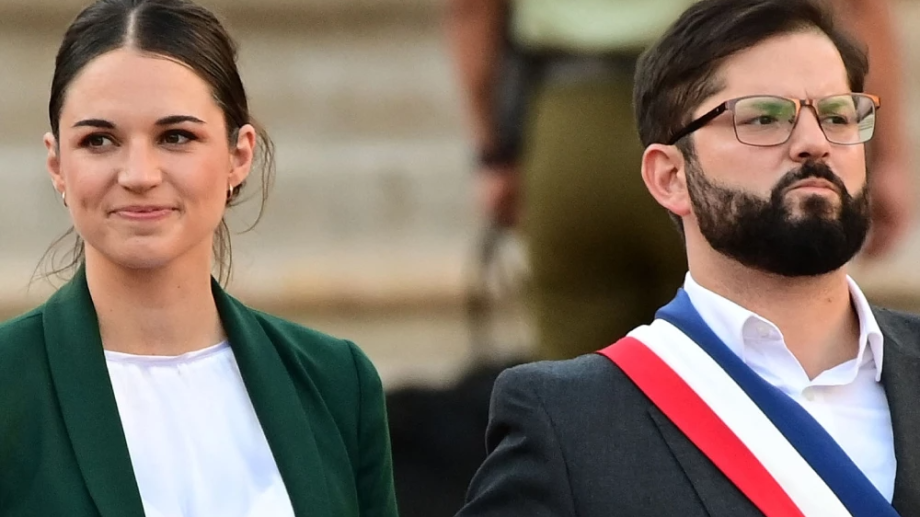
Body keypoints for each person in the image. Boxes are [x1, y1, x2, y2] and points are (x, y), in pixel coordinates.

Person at [456, 0, 920, 515]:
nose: (815, 143)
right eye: (764, 117)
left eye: (838, 115)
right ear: (670, 177)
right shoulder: (563, 423)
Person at [0, 1, 398, 516]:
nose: (139, 175)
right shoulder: (11, 384)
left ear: (239, 155)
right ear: (57, 164)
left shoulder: (336, 382)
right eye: (99, 140)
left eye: (176, 137)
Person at [444, 0, 913, 361]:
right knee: (752, 363)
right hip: (729, 110)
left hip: (571, 122)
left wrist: (493, 152)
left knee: (577, 385)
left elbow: (470, 9)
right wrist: (887, 156)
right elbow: (856, 7)